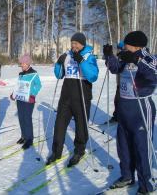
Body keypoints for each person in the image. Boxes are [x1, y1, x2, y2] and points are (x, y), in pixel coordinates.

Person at [104, 31, 157, 194]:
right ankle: (127, 176)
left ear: (135, 45)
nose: (124, 45)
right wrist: (109, 56)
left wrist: (138, 61)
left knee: (141, 147)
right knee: (124, 146)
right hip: (124, 108)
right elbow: (114, 69)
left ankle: (146, 184)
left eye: (127, 44)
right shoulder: (125, 56)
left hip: (141, 107)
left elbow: (154, 76)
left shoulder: (149, 58)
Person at [46, 32, 99, 167]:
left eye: (76, 43)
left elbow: (92, 76)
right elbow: (59, 75)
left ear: (82, 44)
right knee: (59, 124)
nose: (73, 45)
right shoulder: (68, 56)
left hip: (81, 95)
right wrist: (59, 63)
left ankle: (79, 151)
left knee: (81, 125)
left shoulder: (89, 56)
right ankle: (56, 151)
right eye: (72, 43)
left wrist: (81, 61)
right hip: (66, 96)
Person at [10, 54, 42, 150]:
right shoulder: (21, 74)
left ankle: (29, 139)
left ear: (28, 64)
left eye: (23, 64)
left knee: (27, 118)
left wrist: (32, 94)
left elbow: (39, 85)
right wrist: (13, 94)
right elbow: (19, 86)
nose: (22, 65)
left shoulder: (34, 74)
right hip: (20, 99)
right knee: (21, 118)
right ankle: (24, 136)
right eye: (21, 64)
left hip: (29, 100)